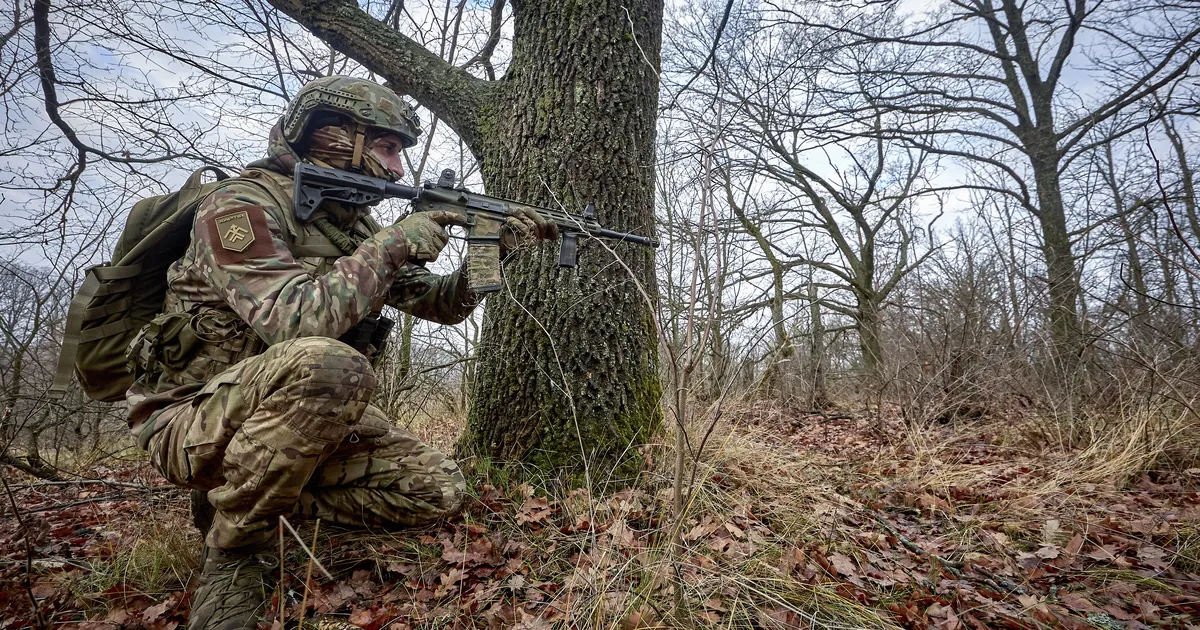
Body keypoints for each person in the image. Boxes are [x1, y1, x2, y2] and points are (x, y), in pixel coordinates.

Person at [124, 76, 557, 630]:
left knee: (437, 490)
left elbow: (440, 304)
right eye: (387, 148)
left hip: (294, 422)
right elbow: (295, 321)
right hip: (190, 418)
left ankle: (242, 498)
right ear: (333, 135)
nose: (399, 169)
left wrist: (492, 250)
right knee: (332, 363)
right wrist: (396, 242)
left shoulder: (351, 228)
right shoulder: (238, 209)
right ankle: (235, 553)